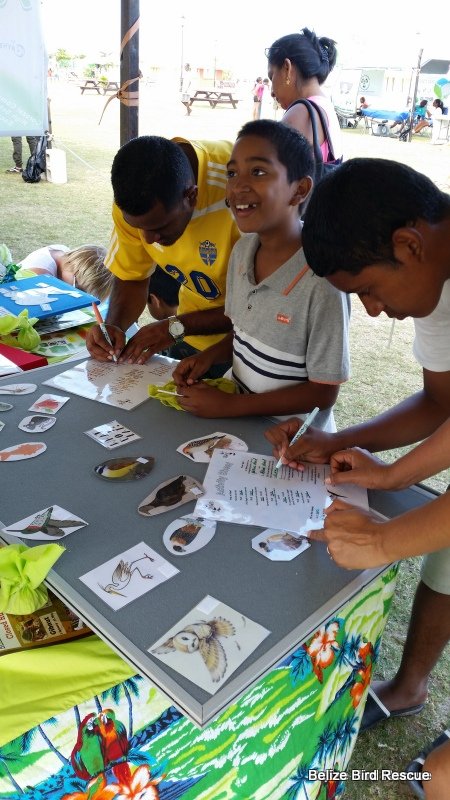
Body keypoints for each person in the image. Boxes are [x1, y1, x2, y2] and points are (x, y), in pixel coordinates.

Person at [264, 156, 450, 773]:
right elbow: (443, 402)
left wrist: (385, 540)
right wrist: (388, 472)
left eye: (368, 289)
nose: (371, 311)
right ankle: (409, 690)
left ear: (408, 244)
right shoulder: (435, 272)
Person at [172, 120, 350, 427]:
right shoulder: (242, 252)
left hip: (289, 440)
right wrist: (209, 357)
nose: (238, 185)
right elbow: (244, 333)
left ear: (300, 190)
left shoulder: (323, 280)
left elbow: (323, 393)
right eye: (231, 173)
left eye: (257, 172)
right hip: (238, 423)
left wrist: (231, 405)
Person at [86, 135, 240, 373]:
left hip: (251, 348)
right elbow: (132, 277)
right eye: (139, 228)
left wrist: (174, 328)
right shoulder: (134, 199)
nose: (148, 239)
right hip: (190, 335)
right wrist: (114, 326)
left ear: (191, 196)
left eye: (159, 228)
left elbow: (262, 308)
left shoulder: (242, 190)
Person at [266, 27, 341, 162]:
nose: (272, 92)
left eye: (272, 77)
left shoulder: (302, 112)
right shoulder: (323, 104)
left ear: (287, 68)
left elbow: (271, 175)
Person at [17, 244, 112, 301]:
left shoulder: (64, 256)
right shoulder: (39, 275)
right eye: (78, 289)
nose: (77, 295)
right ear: (72, 264)